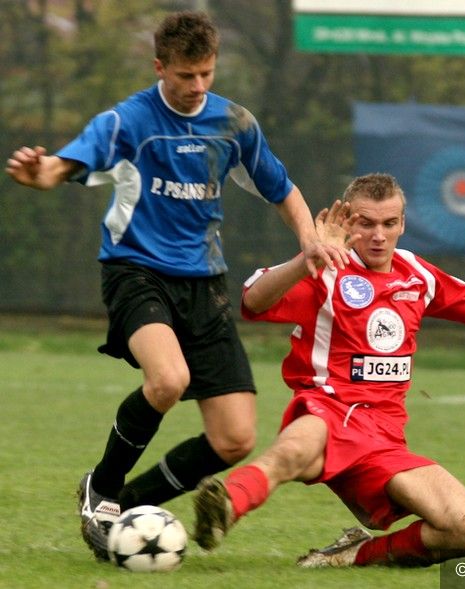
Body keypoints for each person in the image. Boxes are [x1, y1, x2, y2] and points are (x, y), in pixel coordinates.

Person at [5, 11, 346, 562]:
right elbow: (62, 166)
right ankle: (102, 487)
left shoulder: (233, 123)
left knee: (234, 439)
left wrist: (309, 240)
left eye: (207, 73)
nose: (198, 86)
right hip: (135, 272)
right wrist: (38, 173)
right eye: (186, 75)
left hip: (204, 284)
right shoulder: (127, 121)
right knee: (168, 380)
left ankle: (127, 508)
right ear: (160, 67)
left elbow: (282, 189)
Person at [192, 172, 465, 568]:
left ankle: (353, 555)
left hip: (384, 438)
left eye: (389, 223)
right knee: (292, 450)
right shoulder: (325, 268)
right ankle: (226, 505)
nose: (378, 235)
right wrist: (306, 258)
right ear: (347, 222)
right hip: (328, 411)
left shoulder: (417, 275)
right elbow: (253, 300)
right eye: (366, 223)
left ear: (402, 223)